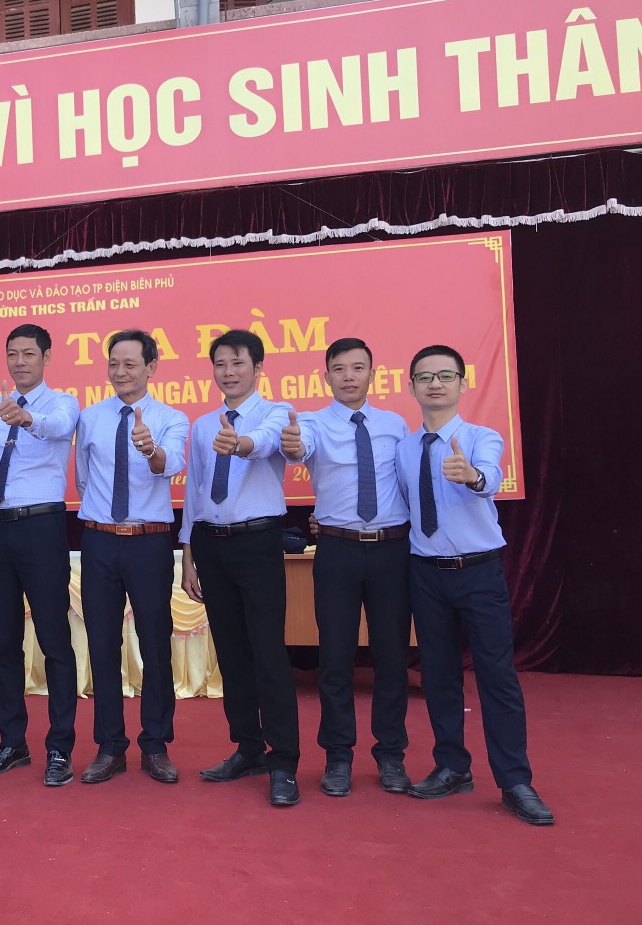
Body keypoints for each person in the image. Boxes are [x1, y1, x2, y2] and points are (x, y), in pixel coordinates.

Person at [396, 344, 554, 825]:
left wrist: (471, 476)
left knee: (496, 676)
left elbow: (490, 477)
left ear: (463, 384)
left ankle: (515, 781)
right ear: (411, 386)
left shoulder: (482, 437)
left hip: (478, 572)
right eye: (425, 377)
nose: (435, 384)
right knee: (438, 675)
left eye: (446, 375)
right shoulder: (404, 448)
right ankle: (452, 766)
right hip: (425, 573)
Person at [280, 337, 412, 797]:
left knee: (391, 658)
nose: (349, 376)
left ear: (372, 374)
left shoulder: (395, 424)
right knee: (335, 658)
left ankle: (391, 754)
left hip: (392, 551)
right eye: (339, 369)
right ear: (326, 376)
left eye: (358, 368)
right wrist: (292, 445)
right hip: (337, 551)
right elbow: (298, 449)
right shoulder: (312, 423)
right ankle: (338, 756)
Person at [180, 329, 300, 806]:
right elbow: (194, 491)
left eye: (238, 363)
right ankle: (248, 748)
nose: (228, 372)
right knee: (231, 654)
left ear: (258, 367)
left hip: (257, 543)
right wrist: (188, 551)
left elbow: (266, 443)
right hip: (211, 545)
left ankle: (284, 761)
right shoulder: (202, 425)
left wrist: (241, 443)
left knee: (268, 652)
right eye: (220, 364)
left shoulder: (276, 413)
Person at [0, 324, 80, 787]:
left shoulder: (63, 403)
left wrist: (27, 419)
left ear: (46, 357)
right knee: (5, 642)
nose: (19, 362)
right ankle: (12, 742)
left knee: (54, 640)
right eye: (12, 354)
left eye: (28, 354)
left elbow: (58, 428)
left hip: (41, 527)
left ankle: (60, 747)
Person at [74, 329, 189, 785]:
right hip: (100, 540)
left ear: (151, 367)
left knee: (154, 643)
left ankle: (156, 744)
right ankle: (109, 746)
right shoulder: (90, 417)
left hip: (149, 541)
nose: (120, 372)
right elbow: (84, 479)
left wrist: (150, 450)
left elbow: (171, 464)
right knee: (102, 644)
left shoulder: (171, 418)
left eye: (130, 364)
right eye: (113, 363)